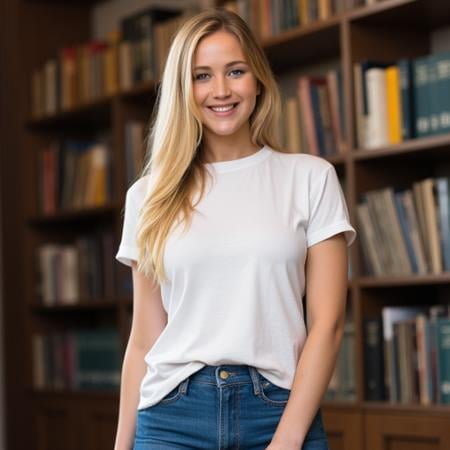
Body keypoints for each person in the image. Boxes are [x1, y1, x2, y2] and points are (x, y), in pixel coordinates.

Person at [114, 7, 356, 450]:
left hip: (280, 411)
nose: (220, 90)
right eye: (201, 76)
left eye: (235, 71)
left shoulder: (310, 178)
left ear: (258, 79)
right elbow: (144, 338)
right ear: (182, 90)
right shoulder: (147, 196)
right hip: (171, 418)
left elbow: (329, 324)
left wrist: (288, 439)